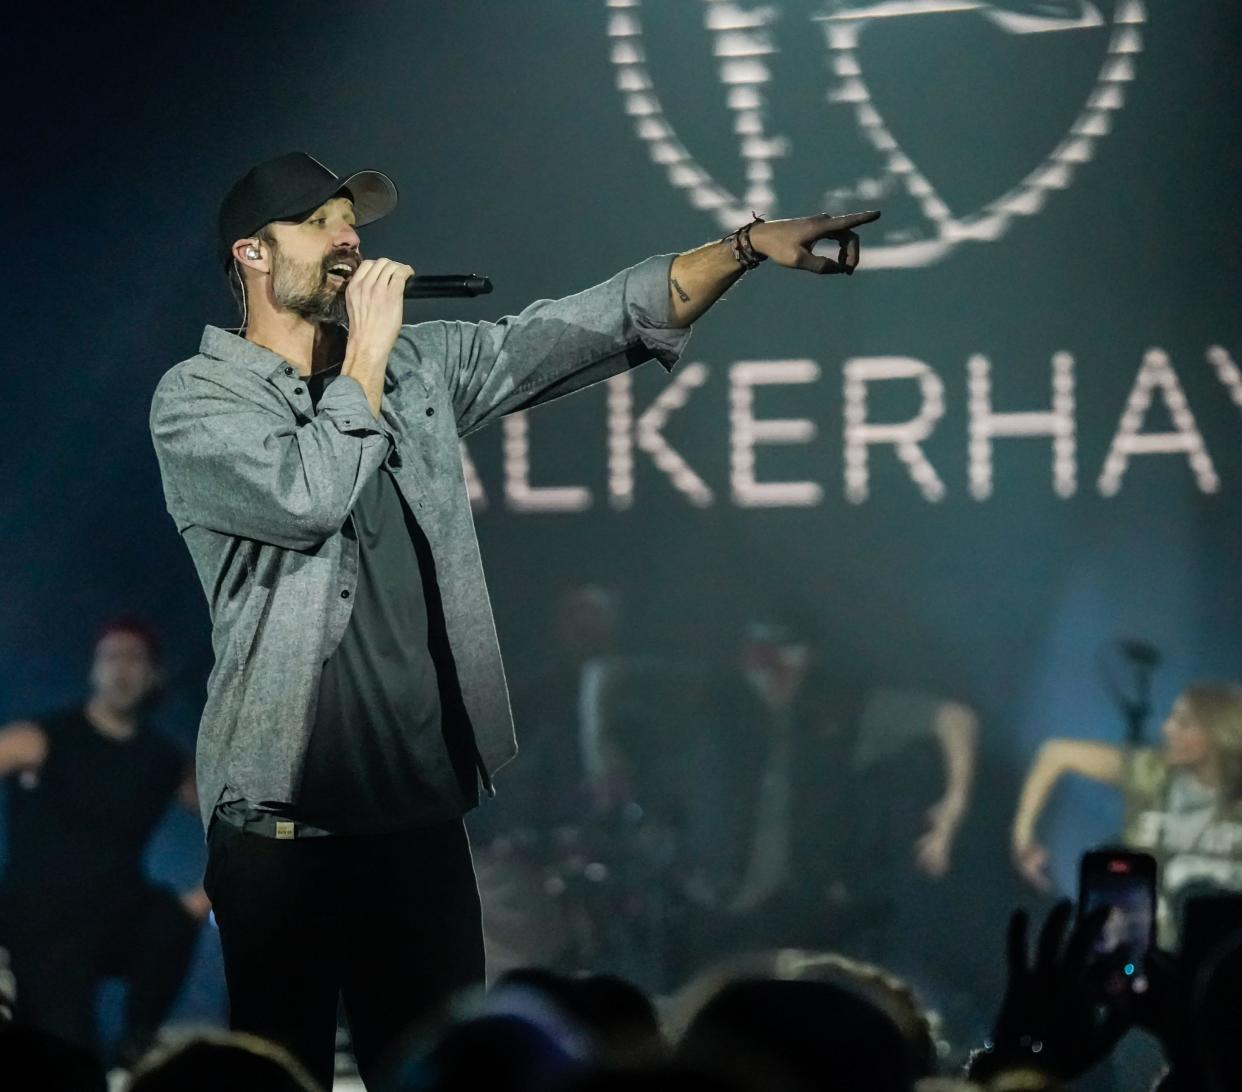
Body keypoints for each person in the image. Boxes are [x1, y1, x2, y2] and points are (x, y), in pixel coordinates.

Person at [147, 150, 881, 1087]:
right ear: (252, 252)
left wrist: (742, 248)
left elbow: (584, 326)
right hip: (283, 837)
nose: (350, 238)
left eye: (353, 222)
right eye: (321, 222)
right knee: (277, 1075)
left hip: (419, 825)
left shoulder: (417, 370)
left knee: (446, 1072)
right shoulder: (198, 400)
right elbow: (305, 496)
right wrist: (368, 353)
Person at [0, 619, 206, 1064]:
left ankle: (139, 1039)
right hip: (44, 923)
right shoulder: (40, 740)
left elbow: (229, 816)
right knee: (69, 1057)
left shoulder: (164, 758)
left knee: (170, 920)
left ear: (154, 674)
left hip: (118, 913)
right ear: (94, 670)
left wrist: (205, 898)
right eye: (112, 657)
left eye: (135, 658)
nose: (122, 669)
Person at [1011, 681, 1242, 943]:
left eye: (1184, 723)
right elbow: (1055, 753)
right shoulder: (1149, 773)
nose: (1166, 729)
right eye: (1171, 718)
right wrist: (1022, 837)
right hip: (1150, 953)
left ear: (1218, 735)